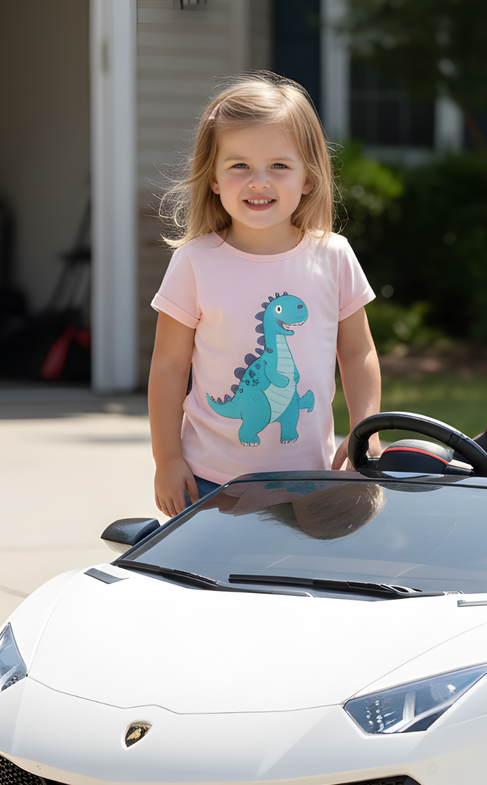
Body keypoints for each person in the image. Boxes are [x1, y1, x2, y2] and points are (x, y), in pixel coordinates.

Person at [148, 72, 381, 517]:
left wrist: (363, 435)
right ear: (213, 179)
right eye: (239, 166)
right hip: (210, 482)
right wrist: (167, 459)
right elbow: (169, 367)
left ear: (308, 178)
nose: (259, 181)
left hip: (313, 478)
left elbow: (357, 354)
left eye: (278, 165)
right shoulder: (194, 262)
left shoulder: (333, 255)